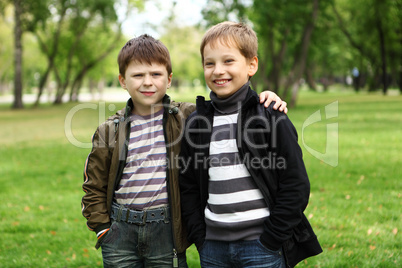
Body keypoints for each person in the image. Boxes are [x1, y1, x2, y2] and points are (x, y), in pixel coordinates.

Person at [81, 34, 288, 267]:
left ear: (169, 79)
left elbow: (228, 103)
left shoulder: (187, 116)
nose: (147, 82)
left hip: (167, 228)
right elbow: (93, 185)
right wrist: (102, 229)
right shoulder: (109, 130)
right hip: (120, 231)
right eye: (138, 75)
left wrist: (264, 98)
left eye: (156, 75)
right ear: (122, 80)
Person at [179, 21, 323, 268]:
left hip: (262, 246)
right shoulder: (197, 123)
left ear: (251, 65)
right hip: (213, 247)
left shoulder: (270, 116)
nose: (217, 70)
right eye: (209, 63)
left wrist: (271, 238)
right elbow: (188, 185)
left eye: (228, 61)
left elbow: (295, 184)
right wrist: (200, 239)